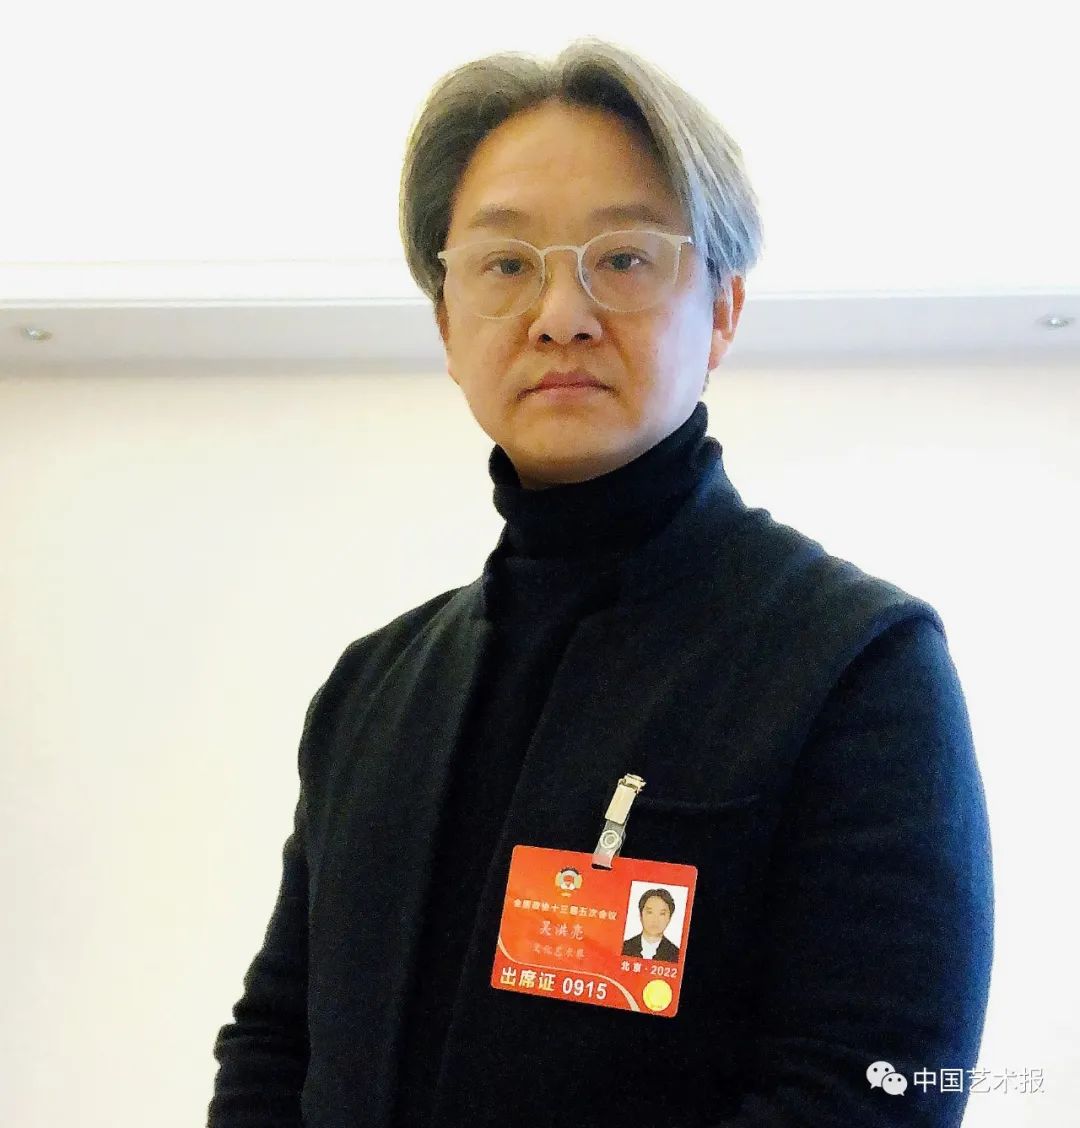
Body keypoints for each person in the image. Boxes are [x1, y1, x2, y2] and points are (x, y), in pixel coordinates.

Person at [208, 36, 993, 1128]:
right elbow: (276, 1045)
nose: (560, 313)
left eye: (623, 258)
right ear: (446, 324)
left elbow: (871, 1091)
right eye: (505, 264)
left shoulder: (855, 664)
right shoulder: (370, 689)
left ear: (723, 309)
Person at [623, 887, 681, 962]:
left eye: (662, 914)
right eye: (650, 912)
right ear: (640, 915)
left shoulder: (677, 955)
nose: (655, 919)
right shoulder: (624, 947)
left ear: (669, 918)